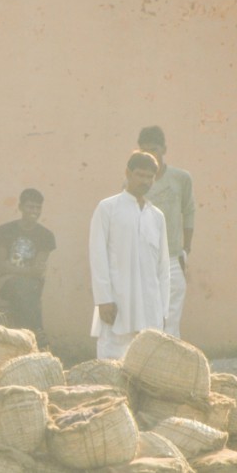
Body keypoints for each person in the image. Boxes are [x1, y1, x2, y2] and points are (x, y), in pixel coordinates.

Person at [89, 151, 170, 360]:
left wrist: (163, 310)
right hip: (117, 302)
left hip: (150, 304)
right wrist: (103, 298)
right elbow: (98, 256)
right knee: (111, 360)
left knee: (148, 363)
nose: (145, 181)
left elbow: (163, 268)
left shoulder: (156, 217)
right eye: (140, 175)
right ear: (128, 173)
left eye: (149, 177)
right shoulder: (108, 208)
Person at [138, 126, 195, 339]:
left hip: (172, 256)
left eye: (154, 149)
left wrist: (185, 249)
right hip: (144, 259)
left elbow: (189, 211)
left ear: (164, 149)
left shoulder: (181, 178)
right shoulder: (134, 182)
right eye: (144, 151)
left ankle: (170, 369)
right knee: (146, 319)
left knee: (170, 320)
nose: (150, 155)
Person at [0, 188, 56, 349]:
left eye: (37, 208)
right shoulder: (5, 230)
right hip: (6, 284)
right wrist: (26, 273)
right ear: (20, 207)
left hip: (32, 286)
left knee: (25, 289)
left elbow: (37, 271)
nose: (34, 211)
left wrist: (12, 269)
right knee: (22, 288)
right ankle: (38, 335)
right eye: (30, 207)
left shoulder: (45, 236)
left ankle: (25, 339)